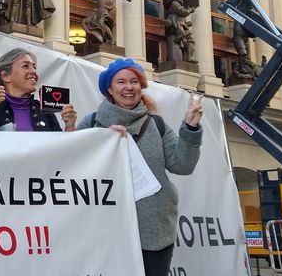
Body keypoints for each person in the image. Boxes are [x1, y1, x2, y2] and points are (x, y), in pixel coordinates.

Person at [77, 58, 203, 276]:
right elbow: (74, 164)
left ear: (141, 86)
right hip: (105, 228)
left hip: (154, 230)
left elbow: (182, 165)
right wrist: (101, 138)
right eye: (121, 82)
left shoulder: (157, 124)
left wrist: (191, 127)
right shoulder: (92, 123)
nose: (128, 87)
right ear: (110, 88)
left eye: (134, 81)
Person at [0, 48, 77, 131]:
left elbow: (58, 151)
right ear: (5, 76)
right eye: (26, 66)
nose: (33, 71)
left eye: (34, 67)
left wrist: (70, 127)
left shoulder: (43, 110)